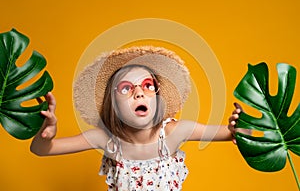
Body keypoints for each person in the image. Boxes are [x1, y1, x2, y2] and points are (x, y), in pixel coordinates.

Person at [30, 46, 241, 190]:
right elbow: (40, 150)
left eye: (148, 86)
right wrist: (47, 133)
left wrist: (240, 125)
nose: (139, 93)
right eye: (126, 88)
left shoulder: (173, 133)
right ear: (112, 104)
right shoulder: (107, 140)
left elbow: (233, 133)